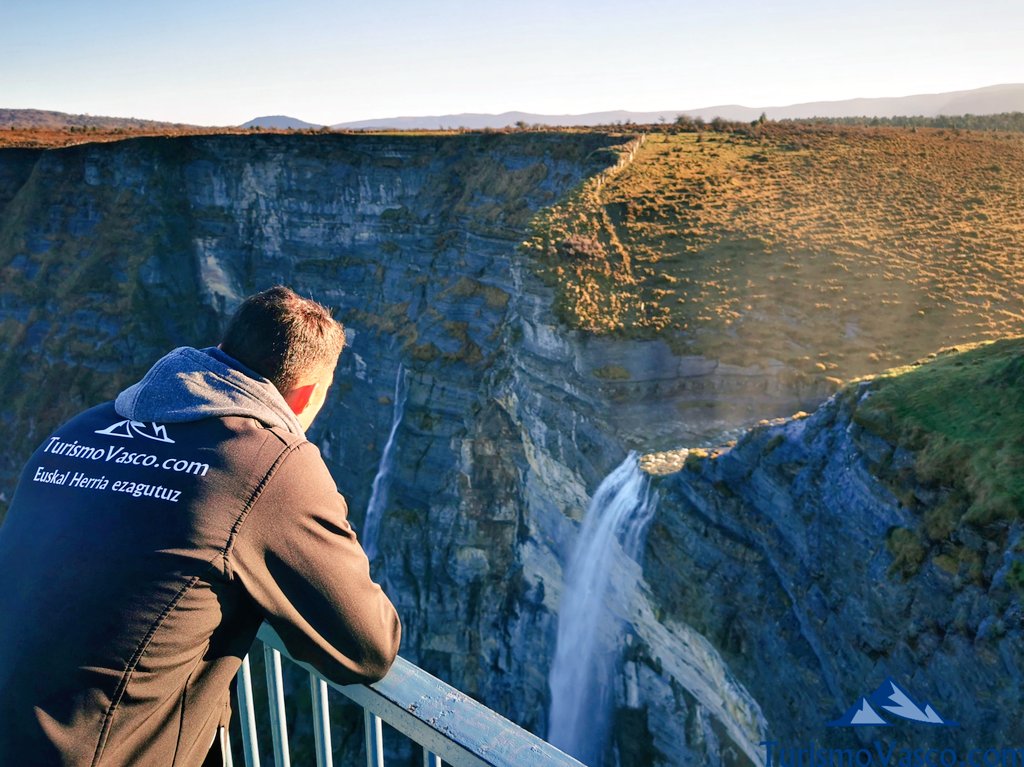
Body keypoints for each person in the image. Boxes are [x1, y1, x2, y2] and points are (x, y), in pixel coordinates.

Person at [0, 286, 401, 766]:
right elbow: (369, 648)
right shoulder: (269, 462)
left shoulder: (78, 429)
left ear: (222, 350)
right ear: (308, 394)